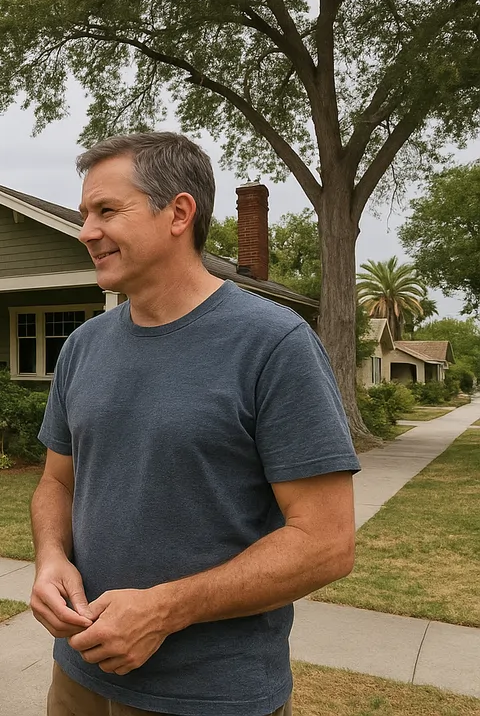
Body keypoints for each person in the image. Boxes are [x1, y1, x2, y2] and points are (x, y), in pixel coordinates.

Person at [32, 132, 360, 716]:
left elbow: (326, 544)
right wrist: (52, 558)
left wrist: (164, 609)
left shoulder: (273, 343)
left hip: (211, 696)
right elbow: (57, 482)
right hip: (79, 676)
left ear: (179, 212)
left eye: (107, 210)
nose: (86, 231)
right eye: (86, 214)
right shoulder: (83, 346)